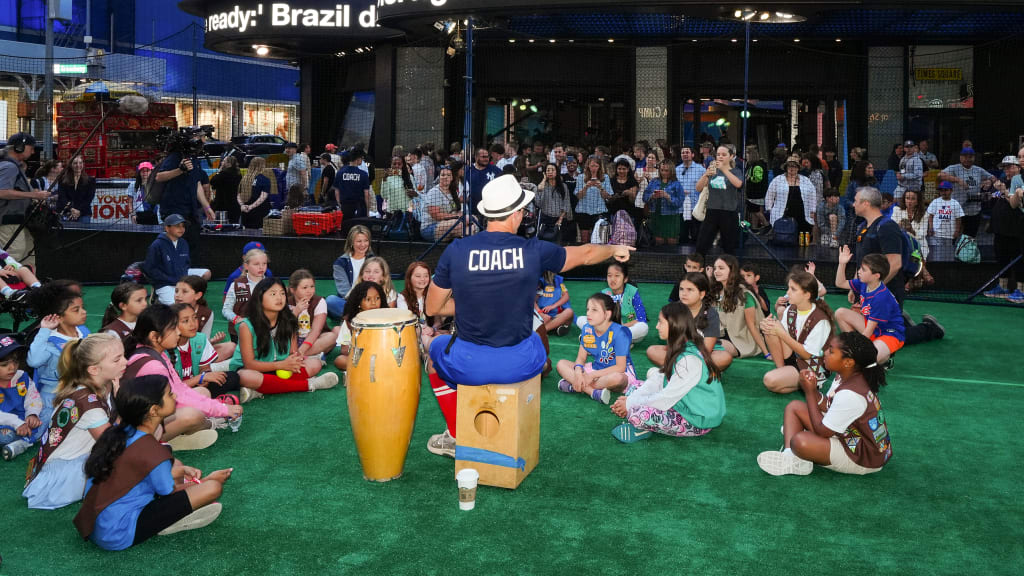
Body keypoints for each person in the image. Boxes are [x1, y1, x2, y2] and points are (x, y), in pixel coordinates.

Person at [423, 174, 633, 456]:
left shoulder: (457, 250)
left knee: (433, 352)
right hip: (520, 363)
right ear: (517, 213)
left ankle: (456, 435)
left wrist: (477, 301)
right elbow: (585, 253)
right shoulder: (532, 251)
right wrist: (614, 248)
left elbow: (432, 308)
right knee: (536, 338)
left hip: (469, 364)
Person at [74, 375, 232, 550]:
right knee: (213, 488)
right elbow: (168, 494)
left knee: (177, 469)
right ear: (154, 411)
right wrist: (206, 481)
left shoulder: (116, 434)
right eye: (170, 395)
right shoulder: (153, 451)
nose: (175, 397)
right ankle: (168, 523)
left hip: (94, 525)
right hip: (119, 533)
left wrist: (177, 473)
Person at [756, 331, 892, 476]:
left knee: (800, 442)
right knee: (794, 407)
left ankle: (797, 451)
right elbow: (830, 404)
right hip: (851, 434)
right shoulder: (847, 375)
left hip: (863, 456)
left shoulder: (851, 394)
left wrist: (809, 392)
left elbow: (822, 431)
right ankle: (791, 457)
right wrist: (814, 391)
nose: (824, 352)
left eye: (831, 351)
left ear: (848, 362)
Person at [22, 333, 123, 509]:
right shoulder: (89, 403)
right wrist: (123, 404)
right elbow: (114, 444)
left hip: (67, 466)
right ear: (94, 369)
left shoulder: (92, 386)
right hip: (62, 479)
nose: (125, 362)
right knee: (125, 461)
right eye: (117, 359)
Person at [611, 302, 725, 443]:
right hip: (682, 402)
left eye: (660, 322)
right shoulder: (679, 347)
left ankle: (643, 427)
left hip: (697, 418)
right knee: (634, 387)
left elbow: (665, 399)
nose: (657, 326)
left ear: (674, 325)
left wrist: (630, 405)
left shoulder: (689, 360)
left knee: (637, 413)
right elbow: (657, 380)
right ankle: (638, 411)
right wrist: (631, 399)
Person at [123, 305, 231, 446]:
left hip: (152, 416)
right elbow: (177, 398)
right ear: (155, 337)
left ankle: (176, 435)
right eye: (174, 329)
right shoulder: (152, 365)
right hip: (138, 431)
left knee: (203, 392)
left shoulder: (157, 353)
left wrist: (216, 406)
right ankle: (162, 440)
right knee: (192, 415)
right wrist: (221, 409)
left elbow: (180, 389)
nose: (179, 332)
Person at [229, 278, 338, 392]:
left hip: (279, 367)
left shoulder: (289, 321)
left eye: (282, 293)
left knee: (315, 363)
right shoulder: (246, 326)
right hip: (253, 369)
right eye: (273, 294)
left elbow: (293, 353)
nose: (279, 297)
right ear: (259, 298)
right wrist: (280, 365)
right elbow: (249, 364)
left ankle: (260, 389)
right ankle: (309, 384)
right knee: (245, 376)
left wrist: (295, 360)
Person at [555, 293, 639, 405]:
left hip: (616, 372)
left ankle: (573, 385)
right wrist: (579, 372)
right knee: (561, 364)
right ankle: (593, 392)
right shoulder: (587, 329)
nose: (588, 313)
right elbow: (580, 358)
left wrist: (591, 376)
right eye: (588, 309)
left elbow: (620, 367)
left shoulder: (620, 333)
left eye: (594, 310)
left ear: (607, 314)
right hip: (595, 369)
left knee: (618, 379)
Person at [760, 270, 835, 394]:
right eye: (788, 288)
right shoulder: (790, 309)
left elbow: (807, 355)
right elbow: (781, 333)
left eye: (793, 289)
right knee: (771, 329)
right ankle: (783, 372)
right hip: (794, 356)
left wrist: (781, 333)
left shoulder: (820, 320)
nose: (788, 292)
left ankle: (810, 382)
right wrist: (766, 325)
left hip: (812, 366)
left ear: (807, 295)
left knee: (770, 380)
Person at [27, 284, 90, 429]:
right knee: (41, 431)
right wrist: (44, 331)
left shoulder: (83, 331)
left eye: (82, 307)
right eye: (76, 310)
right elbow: (33, 361)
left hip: (80, 390)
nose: (84, 312)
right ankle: (19, 444)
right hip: (53, 396)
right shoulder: (50, 340)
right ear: (59, 317)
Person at [649, 271, 733, 372]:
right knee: (652, 350)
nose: (684, 293)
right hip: (680, 351)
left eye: (690, 290)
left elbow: (707, 349)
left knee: (725, 357)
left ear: (701, 294)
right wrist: (682, 355)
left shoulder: (710, 313)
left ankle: (681, 370)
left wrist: (690, 358)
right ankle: (696, 372)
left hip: (703, 352)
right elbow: (671, 342)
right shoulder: (673, 310)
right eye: (681, 289)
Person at [834, 250, 905, 365]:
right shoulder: (864, 283)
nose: (859, 271)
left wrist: (855, 353)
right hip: (874, 328)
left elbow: (868, 332)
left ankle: (885, 357)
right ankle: (872, 353)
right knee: (840, 313)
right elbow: (840, 283)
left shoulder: (881, 297)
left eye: (863, 269)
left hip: (889, 334)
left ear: (876, 276)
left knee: (864, 360)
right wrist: (842, 263)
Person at [169, 304, 248, 404]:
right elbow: (172, 388)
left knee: (231, 377)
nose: (192, 324)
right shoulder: (166, 346)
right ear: (172, 325)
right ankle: (208, 403)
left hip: (196, 385)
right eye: (185, 321)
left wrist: (204, 378)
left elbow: (204, 369)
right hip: (174, 391)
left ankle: (204, 401)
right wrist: (200, 378)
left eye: (194, 318)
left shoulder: (200, 338)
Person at [155, 134, 216, 262]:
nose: (204, 141)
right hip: (174, 209)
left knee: (192, 244)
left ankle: (189, 274)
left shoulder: (194, 159)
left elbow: (197, 183)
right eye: (201, 137)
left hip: (190, 210)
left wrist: (206, 206)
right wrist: (180, 170)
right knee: (175, 244)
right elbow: (159, 177)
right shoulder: (176, 156)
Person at [0, 133, 50, 269]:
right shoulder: (9, 167)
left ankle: (29, 287)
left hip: (19, 222)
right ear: (19, 147)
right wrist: (33, 195)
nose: (33, 151)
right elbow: (2, 192)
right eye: (31, 147)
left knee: (27, 256)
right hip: (8, 223)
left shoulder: (15, 166)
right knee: (13, 258)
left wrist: (34, 194)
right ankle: (11, 288)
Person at [142, 214, 212, 305]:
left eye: (183, 226)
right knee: (179, 307)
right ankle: (157, 296)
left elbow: (186, 263)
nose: (181, 229)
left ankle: (191, 293)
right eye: (177, 226)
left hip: (180, 277)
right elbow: (150, 269)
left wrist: (183, 279)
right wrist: (171, 280)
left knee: (206, 273)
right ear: (167, 228)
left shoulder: (183, 243)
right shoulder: (157, 245)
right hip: (165, 283)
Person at [710, 255, 769, 359]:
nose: (716, 271)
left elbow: (752, 325)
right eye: (715, 268)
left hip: (739, 340)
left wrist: (766, 352)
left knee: (711, 348)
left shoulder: (744, 295)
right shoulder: (715, 292)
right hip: (719, 334)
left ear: (732, 270)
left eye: (721, 268)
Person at [985, 153, 1024, 302]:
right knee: (1002, 259)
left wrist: (1004, 191)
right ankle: (1003, 287)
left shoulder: (1018, 182)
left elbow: (1016, 205)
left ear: (1018, 167)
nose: (1007, 170)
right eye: (1005, 167)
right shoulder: (1001, 181)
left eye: (1010, 167)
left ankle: (1021, 291)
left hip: (1015, 230)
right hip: (1000, 230)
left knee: (1019, 261)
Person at [694, 145, 745, 255]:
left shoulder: (736, 171)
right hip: (712, 211)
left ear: (731, 156)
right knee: (701, 245)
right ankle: (698, 269)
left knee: (729, 248)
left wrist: (723, 169)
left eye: (724, 154)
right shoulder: (712, 170)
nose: (720, 157)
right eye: (718, 154)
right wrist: (706, 175)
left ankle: (730, 270)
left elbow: (738, 184)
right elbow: (698, 188)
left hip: (729, 212)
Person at [0, 336, 44, 461]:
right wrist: (17, 424)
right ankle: (26, 440)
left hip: (22, 421)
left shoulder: (22, 377)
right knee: (5, 437)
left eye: (15, 362)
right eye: (4, 364)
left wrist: (32, 415)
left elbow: (33, 397)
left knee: (46, 421)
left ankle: (23, 442)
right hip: (7, 423)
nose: (12, 368)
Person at [938, 147, 995, 238]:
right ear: (960, 157)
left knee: (969, 238)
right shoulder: (954, 168)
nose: (967, 159)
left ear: (974, 158)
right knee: (952, 237)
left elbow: (993, 178)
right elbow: (940, 175)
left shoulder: (978, 170)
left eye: (970, 157)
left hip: (974, 211)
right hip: (957, 210)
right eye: (965, 157)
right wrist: (957, 180)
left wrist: (990, 181)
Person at [333, 281, 386, 373]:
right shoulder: (349, 322)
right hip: (361, 357)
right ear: (358, 302)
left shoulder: (387, 319)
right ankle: (371, 368)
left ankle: (368, 369)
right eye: (368, 299)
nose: (374, 303)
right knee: (340, 360)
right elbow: (344, 350)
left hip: (383, 357)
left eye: (377, 298)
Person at [766, 155, 817, 243]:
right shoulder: (778, 180)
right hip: (783, 213)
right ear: (786, 167)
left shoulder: (806, 180)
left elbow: (812, 196)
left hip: (802, 213)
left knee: (803, 240)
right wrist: (769, 209)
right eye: (789, 166)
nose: (792, 168)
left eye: (794, 166)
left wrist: (813, 210)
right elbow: (769, 195)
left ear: (798, 168)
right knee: (784, 238)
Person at [288, 269, 339, 358]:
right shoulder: (286, 302)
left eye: (312, 286)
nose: (309, 291)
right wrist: (295, 313)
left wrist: (302, 350)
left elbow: (316, 330)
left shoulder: (319, 301)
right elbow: (283, 328)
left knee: (332, 337)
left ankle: (298, 355)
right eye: (305, 288)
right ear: (293, 290)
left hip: (314, 339)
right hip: (293, 340)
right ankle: (314, 354)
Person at [222, 247, 268, 342]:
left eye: (264, 263)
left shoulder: (271, 284)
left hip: (264, 331)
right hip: (239, 333)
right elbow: (226, 309)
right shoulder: (236, 284)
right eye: (256, 264)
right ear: (246, 266)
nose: (261, 267)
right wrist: (236, 319)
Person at [327, 225, 373, 319]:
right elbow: (344, 292)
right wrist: (361, 304)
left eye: (366, 240)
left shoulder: (374, 260)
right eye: (359, 241)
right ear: (351, 242)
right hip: (350, 302)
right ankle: (361, 317)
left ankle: (355, 317)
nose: (363, 244)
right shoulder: (340, 263)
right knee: (330, 300)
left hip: (372, 301)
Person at [398, 262, 442, 354]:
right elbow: (407, 323)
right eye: (418, 276)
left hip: (430, 332)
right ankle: (433, 352)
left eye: (426, 276)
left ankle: (428, 354)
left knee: (442, 335)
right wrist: (423, 329)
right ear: (409, 278)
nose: (422, 279)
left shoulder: (432, 296)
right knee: (423, 335)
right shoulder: (402, 298)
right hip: (414, 334)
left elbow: (438, 321)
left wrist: (433, 329)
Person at [418, 165, 466, 242]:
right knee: (461, 223)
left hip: (448, 225)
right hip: (430, 228)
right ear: (439, 177)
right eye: (443, 175)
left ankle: (463, 248)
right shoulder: (434, 192)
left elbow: (456, 210)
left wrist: (460, 214)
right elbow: (436, 215)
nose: (445, 177)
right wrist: (456, 216)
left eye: (448, 175)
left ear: (452, 178)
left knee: (471, 224)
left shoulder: (453, 192)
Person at [643, 160, 685, 245]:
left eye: (666, 170)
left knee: (671, 242)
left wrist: (668, 197)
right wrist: (652, 196)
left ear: (671, 171)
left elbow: (680, 202)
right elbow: (644, 197)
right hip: (656, 216)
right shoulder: (654, 182)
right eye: (661, 170)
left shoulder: (676, 184)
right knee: (659, 242)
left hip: (671, 217)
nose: (663, 172)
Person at [575, 156, 612, 244]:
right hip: (584, 210)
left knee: (598, 239)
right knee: (584, 239)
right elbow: (578, 196)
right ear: (588, 166)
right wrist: (586, 187)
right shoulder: (581, 177)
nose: (593, 168)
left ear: (599, 167)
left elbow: (608, 196)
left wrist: (601, 188)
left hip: (599, 211)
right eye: (592, 166)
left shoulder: (605, 177)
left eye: (596, 166)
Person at [925, 180, 964, 262]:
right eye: (941, 190)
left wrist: (957, 231)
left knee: (948, 257)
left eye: (946, 190)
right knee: (936, 257)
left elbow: (958, 219)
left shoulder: (955, 203)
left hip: (949, 234)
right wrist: (931, 228)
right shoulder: (935, 202)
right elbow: (930, 216)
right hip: (936, 234)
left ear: (951, 190)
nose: (943, 192)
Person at [331, 151, 372, 218]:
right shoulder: (363, 174)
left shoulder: (340, 173)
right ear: (357, 159)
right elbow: (366, 194)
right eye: (361, 159)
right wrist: (367, 211)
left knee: (346, 226)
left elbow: (336, 190)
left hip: (345, 206)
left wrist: (339, 204)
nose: (362, 161)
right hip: (360, 207)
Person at [237, 157, 275, 229]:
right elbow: (262, 197)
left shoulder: (244, 179)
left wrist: (242, 205)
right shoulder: (264, 180)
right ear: (262, 166)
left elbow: (238, 195)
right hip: (259, 212)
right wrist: (251, 207)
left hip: (245, 212)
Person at [466, 147, 503, 218]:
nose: (486, 159)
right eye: (483, 157)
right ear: (476, 157)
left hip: (490, 209)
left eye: (487, 156)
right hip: (472, 209)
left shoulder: (495, 170)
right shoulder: (467, 170)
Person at [536, 270, 573, 336]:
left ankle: (543, 330)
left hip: (555, 315)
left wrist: (552, 306)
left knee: (569, 312)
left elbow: (566, 295)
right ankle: (553, 327)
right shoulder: (538, 281)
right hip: (541, 315)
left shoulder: (558, 280)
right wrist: (541, 314)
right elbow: (531, 301)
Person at [209, 155, 242, 223]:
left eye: (224, 161)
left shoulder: (223, 174)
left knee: (220, 227)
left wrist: (219, 171)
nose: (222, 162)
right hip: (235, 205)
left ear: (228, 164)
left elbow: (212, 181)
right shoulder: (239, 174)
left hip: (223, 206)